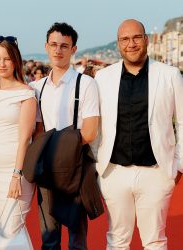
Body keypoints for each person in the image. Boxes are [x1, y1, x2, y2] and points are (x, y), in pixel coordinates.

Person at [94, 19, 183, 249]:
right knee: (116, 240)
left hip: (156, 173)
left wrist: (178, 166)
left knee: (154, 241)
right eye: (125, 39)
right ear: (118, 44)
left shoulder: (170, 75)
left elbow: (182, 123)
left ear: (145, 40)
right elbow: (96, 125)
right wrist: (96, 165)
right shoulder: (103, 78)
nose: (131, 44)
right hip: (114, 172)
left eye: (136, 38)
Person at [31, 22, 99, 250]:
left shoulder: (86, 84)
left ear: (73, 49)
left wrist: (56, 149)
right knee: (48, 238)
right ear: (46, 47)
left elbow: (89, 132)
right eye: (53, 45)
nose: (58, 50)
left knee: (77, 239)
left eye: (64, 46)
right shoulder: (36, 88)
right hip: (46, 171)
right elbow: (38, 131)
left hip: (75, 169)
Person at [0, 35, 36, 249]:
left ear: (16, 61)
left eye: (7, 59)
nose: (1, 64)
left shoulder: (26, 93)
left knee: (10, 229)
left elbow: (25, 139)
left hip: (16, 172)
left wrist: (17, 175)